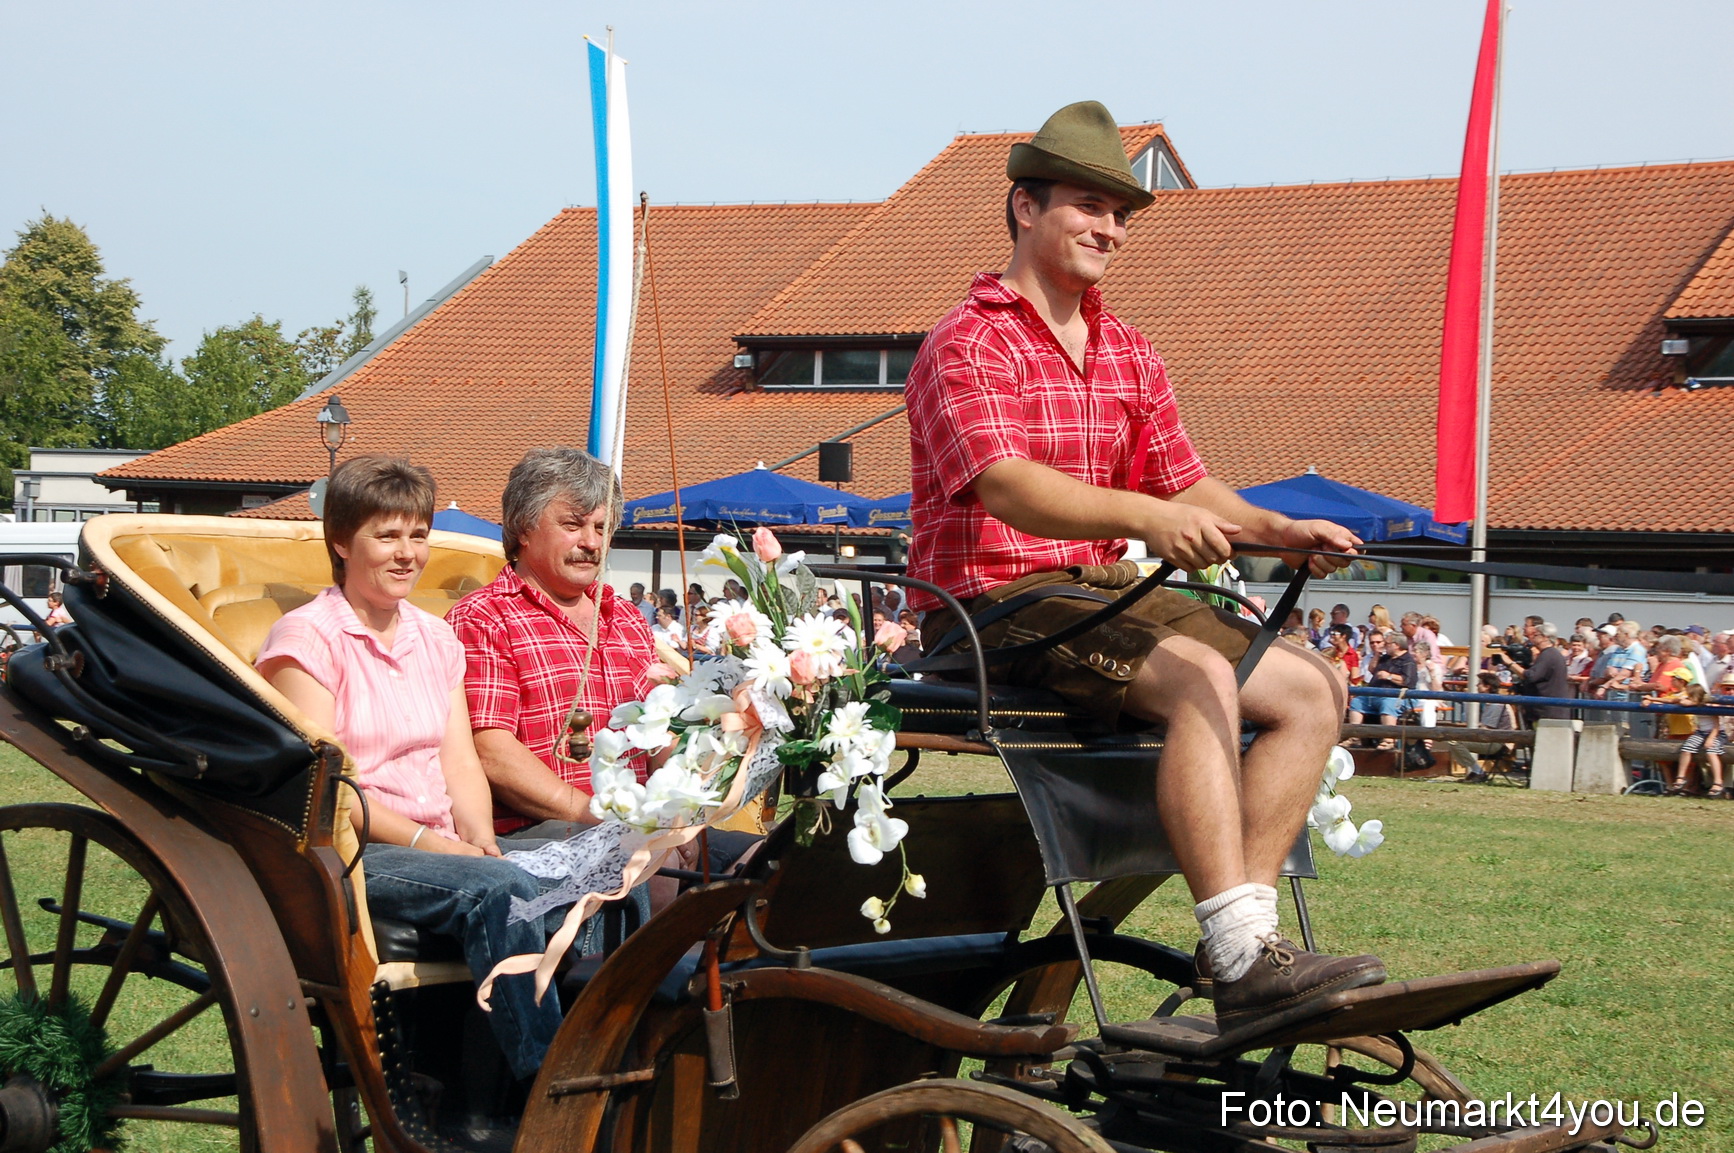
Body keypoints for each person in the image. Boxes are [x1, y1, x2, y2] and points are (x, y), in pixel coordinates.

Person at [902, 100, 1379, 1029]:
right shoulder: (967, 341)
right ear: (1023, 207)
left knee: (1315, 687)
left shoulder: (1129, 350)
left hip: (1097, 601)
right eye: (1089, 205)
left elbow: (1187, 484)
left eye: (1120, 214)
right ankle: (1242, 954)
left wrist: (1280, 529)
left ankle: (1246, 937)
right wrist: (1147, 519)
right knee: (1204, 673)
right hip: (991, 605)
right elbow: (1007, 486)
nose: (1110, 229)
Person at [255, 455, 560, 1080]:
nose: (407, 554)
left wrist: (478, 836)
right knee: (503, 893)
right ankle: (551, 1084)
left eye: (417, 535)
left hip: (440, 841)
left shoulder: (435, 638)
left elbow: (458, 758)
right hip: (355, 847)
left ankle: (524, 1076)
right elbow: (329, 787)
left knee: (608, 867)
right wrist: (438, 845)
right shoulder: (307, 639)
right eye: (386, 535)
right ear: (341, 542)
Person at [447, 448, 659, 840]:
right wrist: (595, 817)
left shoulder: (625, 615)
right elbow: (492, 753)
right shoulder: (485, 618)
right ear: (524, 528)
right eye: (573, 525)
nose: (592, 542)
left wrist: (674, 815)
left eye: (601, 527)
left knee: (767, 863)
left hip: (639, 825)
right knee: (649, 874)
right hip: (539, 835)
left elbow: (662, 730)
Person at [1517, 623, 1571, 722]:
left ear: (1545, 637)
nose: (1533, 637)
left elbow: (1531, 676)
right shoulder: (1549, 654)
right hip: (1548, 710)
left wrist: (1509, 663)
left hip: (1548, 713)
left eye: (1536, 635)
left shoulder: (1549, 654)